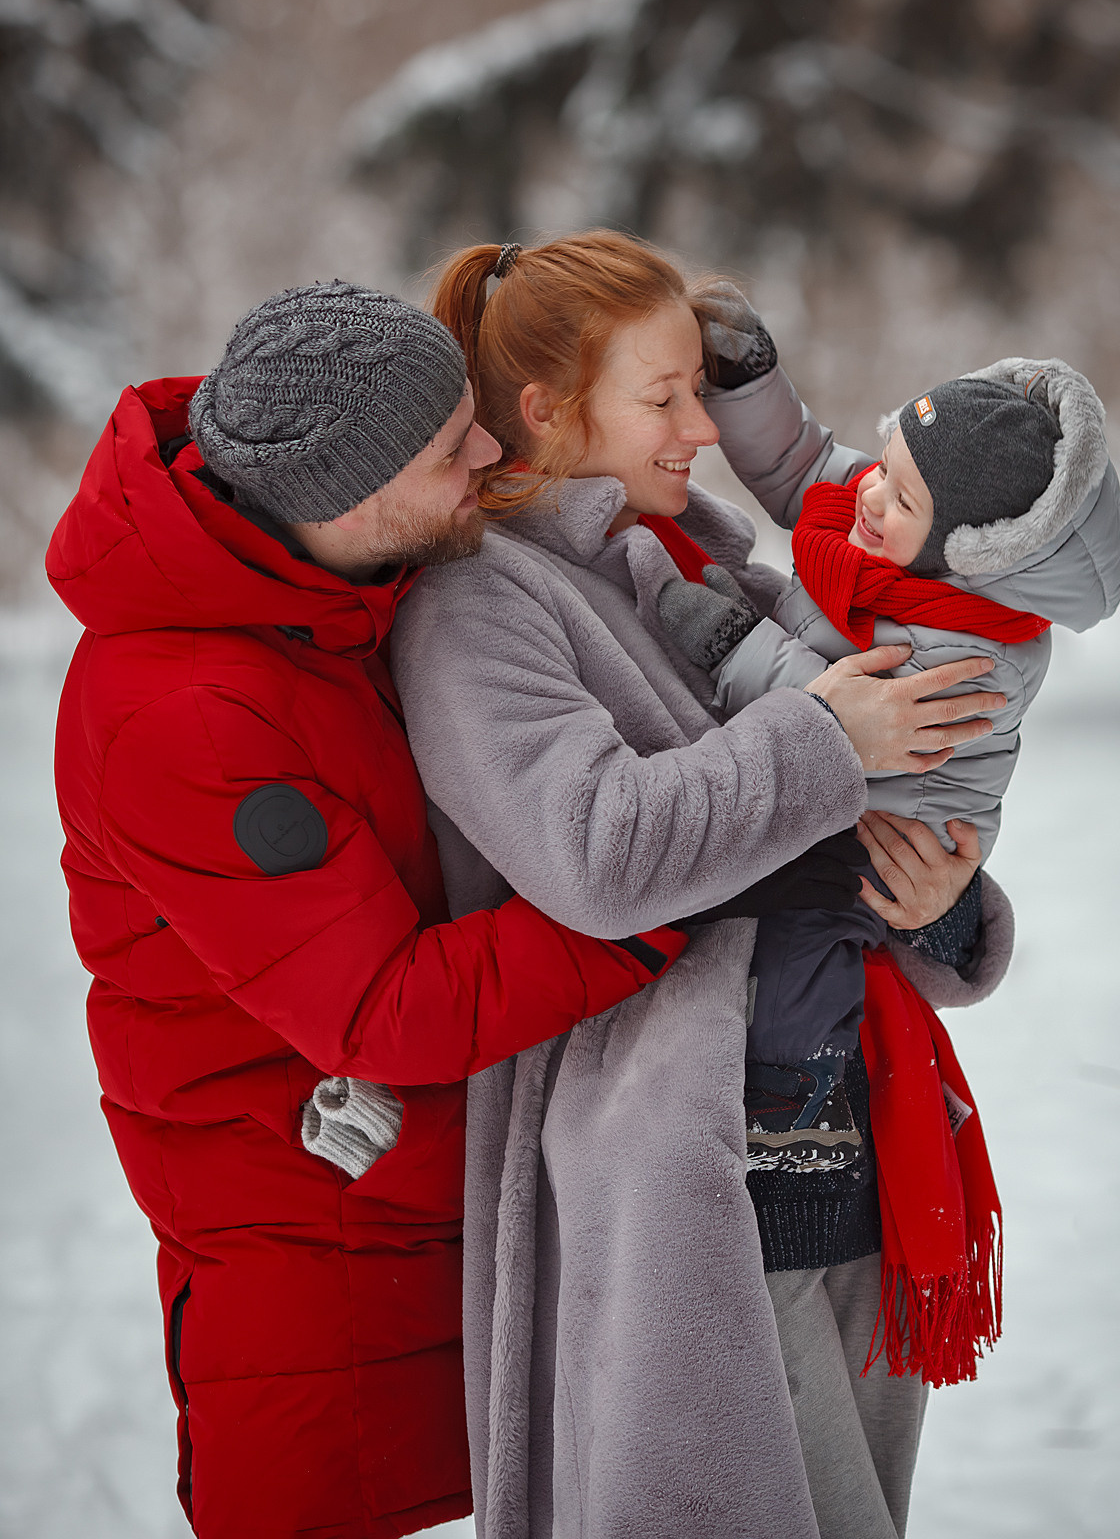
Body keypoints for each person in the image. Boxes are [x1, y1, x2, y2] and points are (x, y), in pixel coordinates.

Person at [46, 281, 696, 1539]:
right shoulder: (190, 714)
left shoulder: (329, 594)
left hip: (428, 1213)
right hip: (326, 1283)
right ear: (347, 495)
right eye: (453, 447)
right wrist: (657, 887)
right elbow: (384, 1010)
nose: (490, 452)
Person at [389, 232, 1015, 1539]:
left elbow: (841, 825)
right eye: (663, 398)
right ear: (548, 411)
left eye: (700, 391)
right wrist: (826, 736)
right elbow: (594, 853)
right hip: (681, 1172)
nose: (701, 430)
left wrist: (941, 898)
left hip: (857, 1139)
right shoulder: (482, 606)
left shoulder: (709, 572)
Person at [656, 332, 1120, 1173]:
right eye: (883, 462)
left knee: (797, 964)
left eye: (900, 496)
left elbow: (849, 716)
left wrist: (733, 646)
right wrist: (748, 382)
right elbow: (809, 468)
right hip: (826, 808)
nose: (869, 493)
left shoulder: (965, 651)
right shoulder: (903, 527)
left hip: (879, 853)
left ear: (968, 549)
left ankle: (792, 1125)